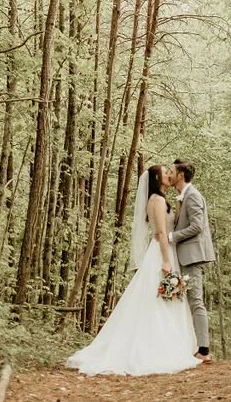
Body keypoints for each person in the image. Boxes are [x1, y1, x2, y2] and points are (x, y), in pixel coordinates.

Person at [66, 164, 199, 377]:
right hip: (161, 253)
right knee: (157, 299)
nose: (168, 175)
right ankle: (157, 349)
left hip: (166, 251)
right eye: (165, 173)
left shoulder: (162, 199)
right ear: (156, 180)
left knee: (166, 298)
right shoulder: (156, 200)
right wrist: (166, 262)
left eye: (169, 172)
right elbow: (162, 233)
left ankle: (169, 344)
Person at [169, 158, 216, 362]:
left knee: (196, 301)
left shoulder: (193, 196)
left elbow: (197, 226)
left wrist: (173, 237)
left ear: (181, 175)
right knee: (186, 301)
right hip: (183, 256)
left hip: (192, 256)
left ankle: (204, 350)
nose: (169, 174)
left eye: (172, 171)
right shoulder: (183, 196)